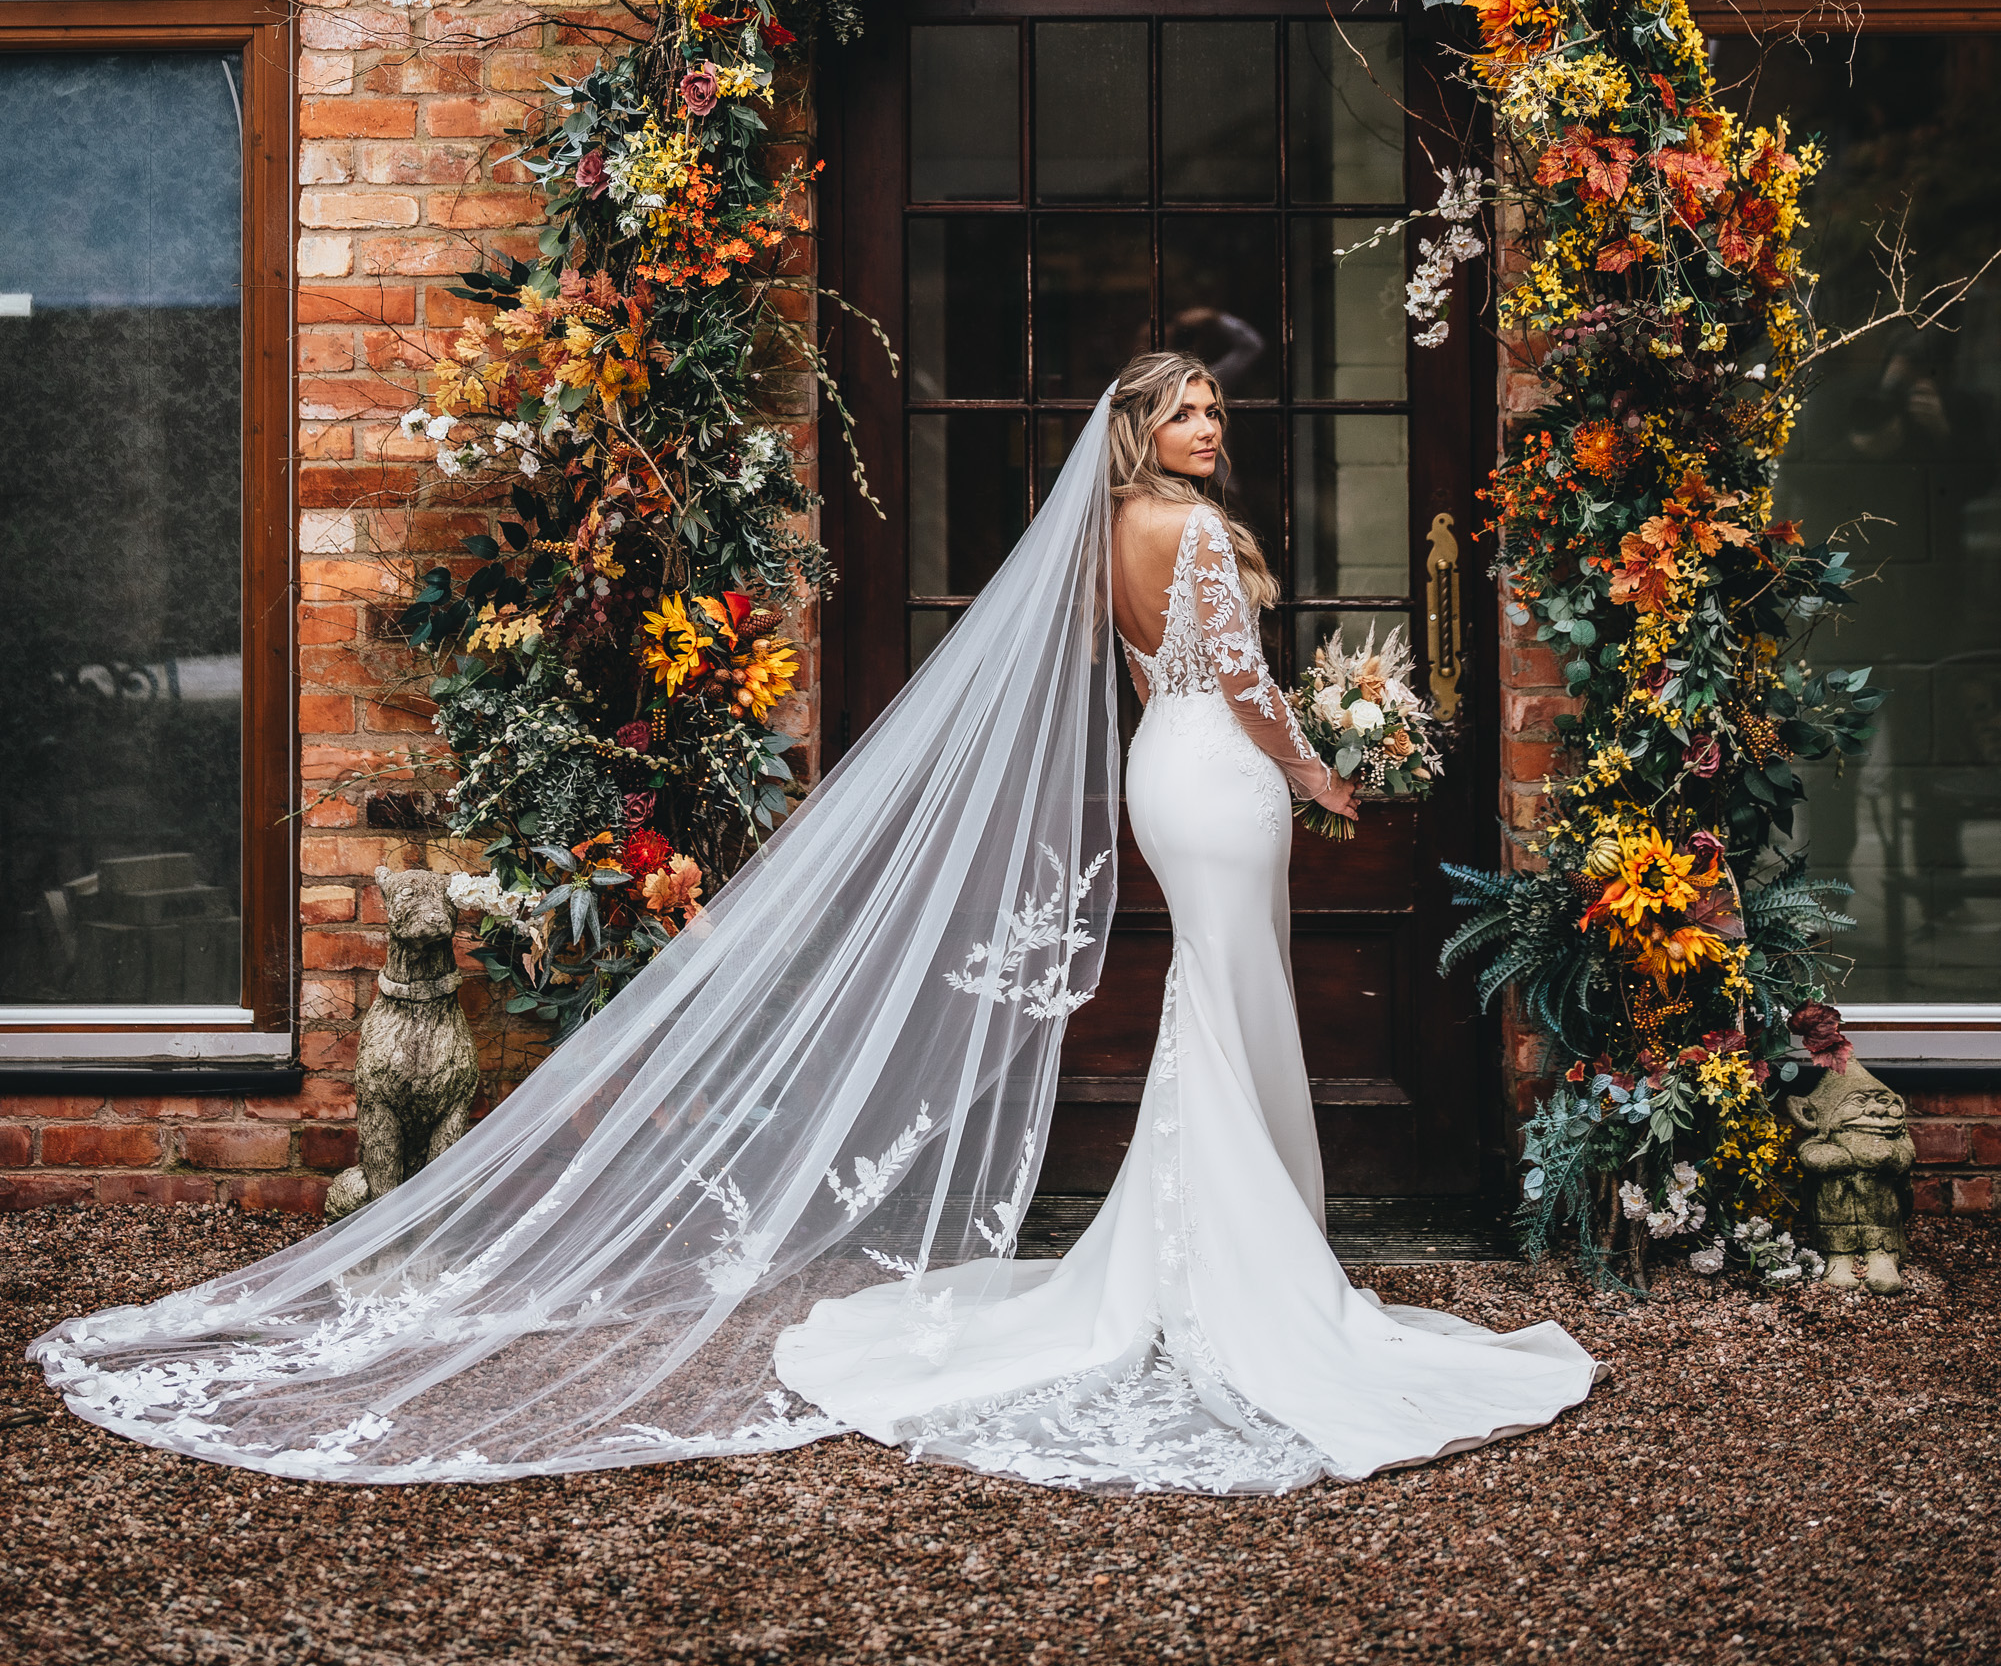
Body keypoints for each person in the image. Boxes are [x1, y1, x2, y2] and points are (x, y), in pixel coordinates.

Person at [30, 354, 1589, 1487]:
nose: (1211, 428)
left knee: (1215, 994)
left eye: (1215, 411)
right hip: (1222, 777)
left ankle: (1214, 1250)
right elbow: (1239, 686)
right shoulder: (1180, 536)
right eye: (1188, 410)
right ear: (1137, 430)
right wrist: (1324, 768)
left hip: (1161, 773)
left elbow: (1148, 685)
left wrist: (1257, 745)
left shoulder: (1112, 541)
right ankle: (1245, 1265)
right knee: (1229, 994)